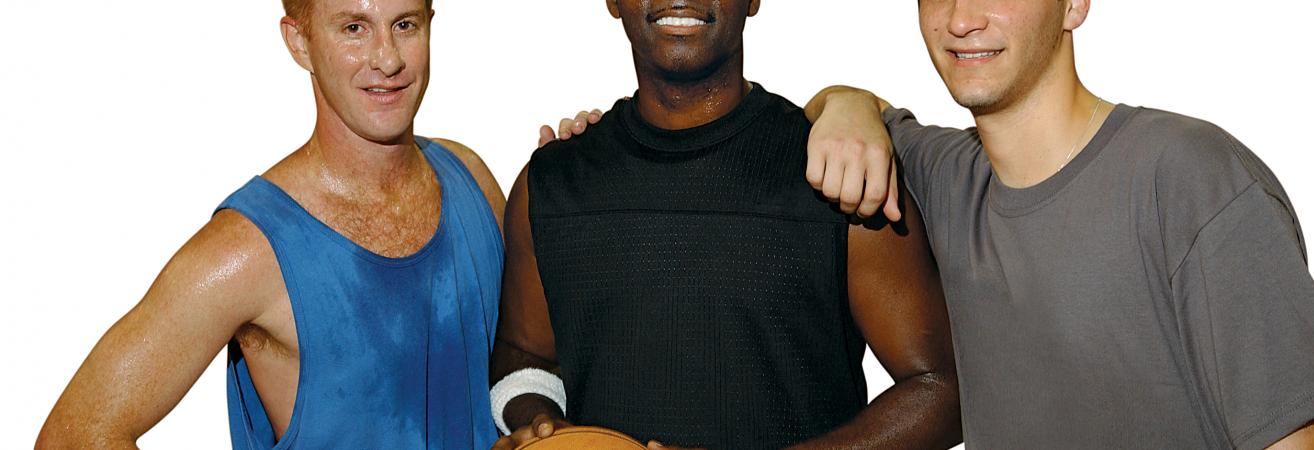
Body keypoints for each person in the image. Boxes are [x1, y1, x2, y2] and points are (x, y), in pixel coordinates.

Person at [801, 0, 1314, 448]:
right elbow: (839, 107)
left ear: (1073, 5)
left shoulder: (1189, 177)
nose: (961, 19)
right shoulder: (947, 177)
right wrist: (848, 106)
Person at [36, 0, 510, 448]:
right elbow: (72, 437)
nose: (388, 59)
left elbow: (527, 368)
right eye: (354, 28)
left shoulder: (473, 179)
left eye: (404, 24)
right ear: (299, 42)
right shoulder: (248, 250)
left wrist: (553, 193)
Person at [489, 1, 961, 449]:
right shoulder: (551, 183)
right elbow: (523, 353)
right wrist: (541, 422)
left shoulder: (838, 175)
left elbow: (943, 388)